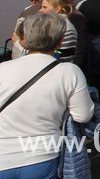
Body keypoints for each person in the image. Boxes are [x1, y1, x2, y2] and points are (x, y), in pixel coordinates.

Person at [0, 13, 94, 177]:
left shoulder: (3, 69)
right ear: (60, 41)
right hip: (42, 155)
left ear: (24, 38)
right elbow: (83, 116)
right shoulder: (69, 72)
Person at [38, 0, 79, 64]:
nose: (40, 10)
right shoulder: (57, 25)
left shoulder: (65, 28)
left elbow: (61, 56)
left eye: (44, 7)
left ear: (57, 9)